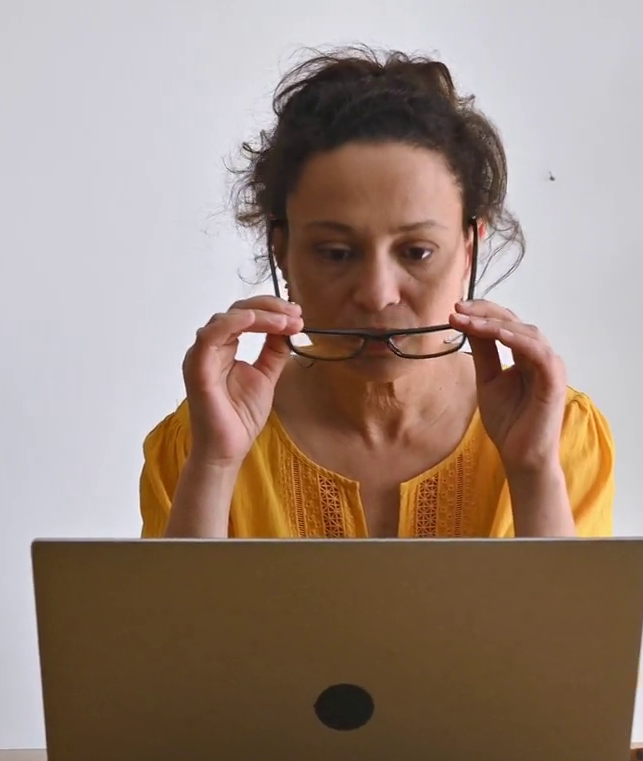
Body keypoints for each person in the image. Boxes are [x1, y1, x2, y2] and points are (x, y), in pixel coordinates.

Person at [139, 47, 614, 539]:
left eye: (417, 252)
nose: (377, 295)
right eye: (336, 253)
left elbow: (573, 596)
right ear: (281, 249)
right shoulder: (200, 440)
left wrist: (534, 469)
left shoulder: (557, 430)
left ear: (469, 249)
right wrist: (215, 464)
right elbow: (176, 597)